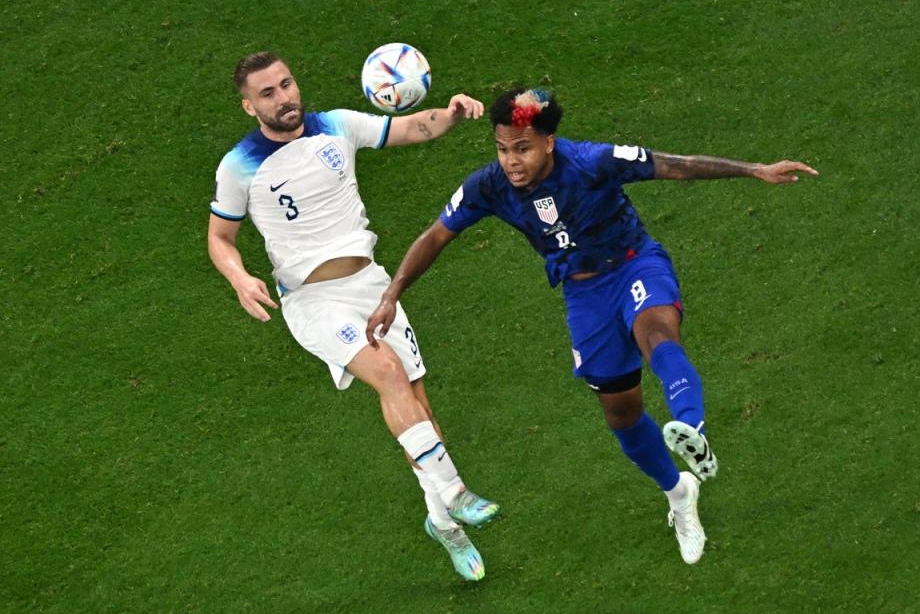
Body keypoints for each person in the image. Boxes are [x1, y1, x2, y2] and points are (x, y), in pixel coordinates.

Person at [366, 87, 818, 565]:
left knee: (657, 334)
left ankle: (691, 425)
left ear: (549, 143)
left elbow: (675, 165)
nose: (511, 161)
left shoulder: (593, 161)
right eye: (502, 149)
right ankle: (680, 493)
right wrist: (393, 292)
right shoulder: (489, 186)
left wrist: (755, 170)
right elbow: (437, 234)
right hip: (584, 295)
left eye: (522, 148)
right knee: (621, 414)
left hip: (634, 264)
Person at [207, 52, 500, 582]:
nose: (284, 98)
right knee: (387, 372)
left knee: (418, 406)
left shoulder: (337, 126)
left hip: (371, 286)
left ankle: (444, 526)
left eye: (287, 84)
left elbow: (410, 127)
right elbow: (219, 237)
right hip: (313, 302)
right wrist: (238, 276)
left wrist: (452, 114)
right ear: (250, 106)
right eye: (268, 93)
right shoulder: (240, 165)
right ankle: (456, 492)